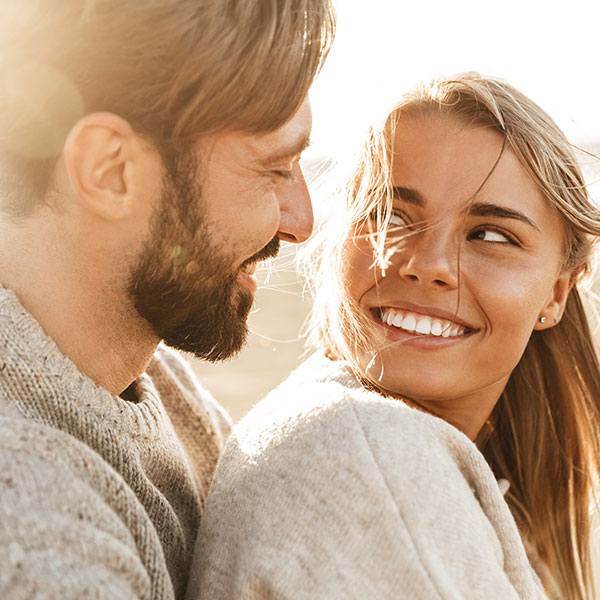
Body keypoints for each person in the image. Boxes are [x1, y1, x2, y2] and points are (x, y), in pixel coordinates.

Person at [188, 73, 600, 600]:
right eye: (390, 216)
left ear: (556, 295)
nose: (428, 267)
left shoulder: (371, 438)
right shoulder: (371, 454)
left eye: (490, 235)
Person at [0, 1, 334, 599]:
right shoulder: (27, 529)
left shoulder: (155, 382)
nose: (301, 221)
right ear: (110, 172)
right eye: (274, 168)